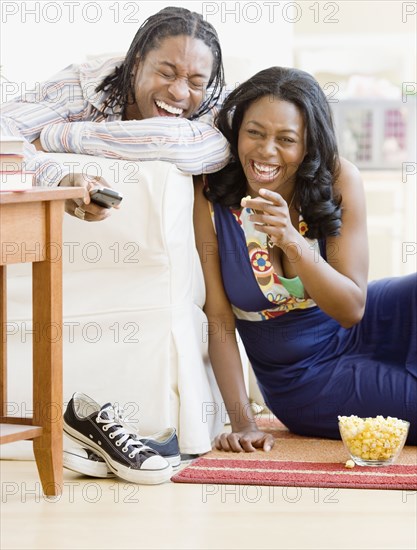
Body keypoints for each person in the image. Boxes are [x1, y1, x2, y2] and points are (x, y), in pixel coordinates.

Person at [193, 66, 417, 452]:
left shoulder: (338, 178)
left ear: (309, 145)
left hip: (361, 326)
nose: (266, 150)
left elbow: (351, 308)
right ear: (237, 131)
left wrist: (291, 239)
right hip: (305, 376)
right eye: (254, 133)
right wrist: (243, 422)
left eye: (286, 139)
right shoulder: (211, 197)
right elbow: (219, 320)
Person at [1, 6, 229, 221]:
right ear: (136, 65)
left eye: (196, 83)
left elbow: (184, 144)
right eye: (167, 73)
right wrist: (56, 179)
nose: (179, 92)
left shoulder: (215, 102)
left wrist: (58, 136)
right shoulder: (76, 89)